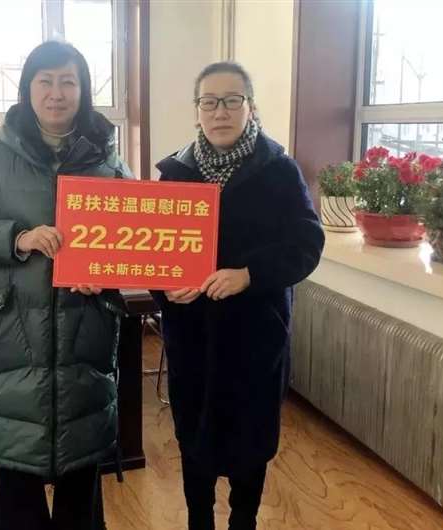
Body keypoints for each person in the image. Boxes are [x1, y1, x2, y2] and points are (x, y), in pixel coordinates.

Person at [0, 40, 131, 530]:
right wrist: (17, 238)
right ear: (27, 90)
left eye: (68, 81)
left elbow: (131, 248)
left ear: (83, 91)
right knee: (16, 468)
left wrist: (105, 274)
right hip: (11, 335)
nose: (56, 93)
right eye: (45, 81)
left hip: (84, 333)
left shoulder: (110, 166)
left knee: (81, 474)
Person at [151, 62, 325, 530]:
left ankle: (243, 521)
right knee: (194, 438)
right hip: (193, 338)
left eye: (232, 100)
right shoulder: (176, 174)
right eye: (209, 102)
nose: (220, 112)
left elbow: (307, 245)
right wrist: (166, 288)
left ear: (250, 106)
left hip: (256, 337)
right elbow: (154, 255)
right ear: (197, 110)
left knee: (250, 443)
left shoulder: (279, 170)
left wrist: (249, 275)